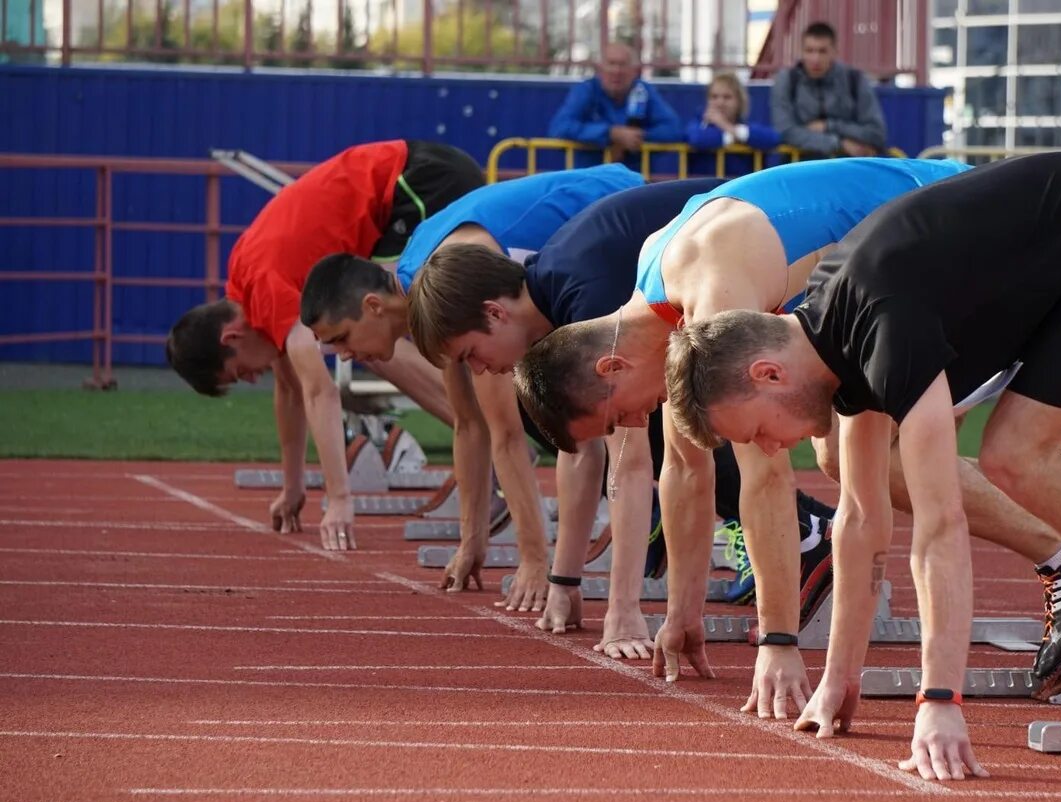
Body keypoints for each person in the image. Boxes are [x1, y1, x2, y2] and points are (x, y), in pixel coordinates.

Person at [663, 150, 1061, 776]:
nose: (768, 449)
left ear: (766, 373)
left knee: (1014, 455)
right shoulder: (834, 343)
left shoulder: (881, 323)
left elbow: (939, 527)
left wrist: (939, 700)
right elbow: (858, 519)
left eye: (760, 431)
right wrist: (838, 677)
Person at [513, 157, 972, 720]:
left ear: (610, 368)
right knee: (855, 456)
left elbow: (766, 479)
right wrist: (683, 613)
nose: (632, 428)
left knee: (873, 458)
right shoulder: (660, 284)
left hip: (958, 222)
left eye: (613, 421)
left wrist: (777, 643)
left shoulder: (712, 292)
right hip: (912, 257)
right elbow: (683, 468)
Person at [407, 178, 837, 658]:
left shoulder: (586, 300)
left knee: (710, 428)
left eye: (472, 355)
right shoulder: (559, 294)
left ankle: (807, 533)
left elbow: (629, 466)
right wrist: (564, 578)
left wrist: (623, 610)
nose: (481, 371)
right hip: (750, 259)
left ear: (494, 313)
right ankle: (780, 532)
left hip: (790, 251)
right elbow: (582, 452)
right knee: (653, 427)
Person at [301, 164, 643, 610]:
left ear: (372, 306)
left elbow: (505, 436)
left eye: (342, 338)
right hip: (582, 229)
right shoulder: (426, 290)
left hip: (621, 210)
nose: (345, 356)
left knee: (599, 410)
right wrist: (472, 542)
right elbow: (468, 426)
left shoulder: (448, 294)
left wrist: (536, 561)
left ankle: (646, 528)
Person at [165, 139, 485, 552]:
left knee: (372, 338)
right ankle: (483, 441)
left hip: (416, 182)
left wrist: (339, 500)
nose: (253, 377)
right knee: (368, 337)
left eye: (241, 372)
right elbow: (290, 389)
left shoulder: (263, 287)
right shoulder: (247, 290)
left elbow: (319, 391)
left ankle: (483, 442)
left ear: (231, 337)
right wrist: (293, 485)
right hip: (407, 186)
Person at [770, 21, 887, 159]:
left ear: (834, 52)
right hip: (799, 169)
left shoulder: (854, 79)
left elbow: (877, 134)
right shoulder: (787, 80)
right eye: (810, 51)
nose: (816, 59)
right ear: (801, 52)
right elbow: (785, 131)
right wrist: (839, 143)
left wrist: (829, 126)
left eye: (822, 51)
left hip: (846, 172)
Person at [548, 42, 684, 160]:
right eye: (611, 64)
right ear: (600, 69)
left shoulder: (643, 90)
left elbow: (674, 129)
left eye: (623, 65)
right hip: (590, 177)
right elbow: (560, 127)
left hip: (634, 180)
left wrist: (635, 137)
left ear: (634, 71)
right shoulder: (586, 90)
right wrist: (611, 134)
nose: (616, 71)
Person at [686, 73, 780, 152]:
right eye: (714, 97)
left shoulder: (746, 124)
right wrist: (735, 137)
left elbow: (772, 138)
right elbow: (696, 138)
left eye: (727, 97)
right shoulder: (699, 123)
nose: (720, 103)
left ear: (739, 101)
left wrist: (726, 126)